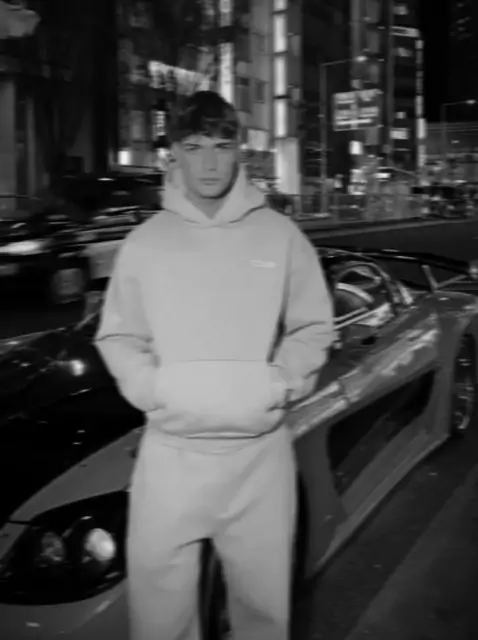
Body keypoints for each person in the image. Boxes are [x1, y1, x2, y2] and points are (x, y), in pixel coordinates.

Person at [95, 90, 334, 640]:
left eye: (221, 146)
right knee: (160, 623)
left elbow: (314, 327)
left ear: (239, 151)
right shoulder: (145, 243)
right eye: (194, 146)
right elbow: (120, 334)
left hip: (259, 458)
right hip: (170, 457)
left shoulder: (280, 236)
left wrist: (277, 384)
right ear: (174, 152)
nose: (208, 163)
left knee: (262, 617)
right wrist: (154, 389)